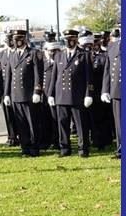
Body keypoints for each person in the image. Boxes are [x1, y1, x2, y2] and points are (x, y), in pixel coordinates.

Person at [48, 29, 93, 157]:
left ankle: (83, 149)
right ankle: (65, 149)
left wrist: (88, 94)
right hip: (61, 95)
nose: (69, 41)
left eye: (72, 39)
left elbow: (89, 77)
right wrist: (51, 94)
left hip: (77, 96)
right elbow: (54, 76)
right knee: (62, 123)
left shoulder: (83, 55)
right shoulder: (59, 55)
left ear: (76, 40)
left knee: (80, 124)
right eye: (67, 39)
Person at [3, 30, 43, 157]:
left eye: (19, 38)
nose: (17, 41)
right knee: (21, 124)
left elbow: (38, 74)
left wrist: (37, 91)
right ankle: (25, 148)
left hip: (29, 94)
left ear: (25, 39)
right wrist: (7, 94)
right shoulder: (12, 55)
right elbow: (9, 76)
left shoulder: (33, 53)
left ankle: (34, 148)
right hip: (16, 95)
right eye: (15, 38)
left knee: (32, 123)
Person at [89, 33, 112, 149]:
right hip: (90, 91)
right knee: (93, 117)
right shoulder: (88, 56)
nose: (95, 45)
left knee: (103, 117)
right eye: (94, 43)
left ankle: (104, 140)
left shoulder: (104, 56)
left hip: (101, 90)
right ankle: (95, 139)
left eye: (97, 42)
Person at [101, 28, 121, 159]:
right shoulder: (112, 46)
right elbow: (107, 70)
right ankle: (121, 149)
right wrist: (105, 90)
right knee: (119, 122)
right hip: (116, 90)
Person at [39, 35, 61, 150]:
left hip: (56, 94)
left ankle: (57, 141)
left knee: (56, 119)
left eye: (55, 51)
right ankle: (45, 141)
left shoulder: (60, 62)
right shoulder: (42, 61)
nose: (52, 53)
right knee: (44, 119)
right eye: (50, 51)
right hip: (44, 94)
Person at [0, 30, 20, 146]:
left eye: (11, 40)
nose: (9, 42)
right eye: (7, 40)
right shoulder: (1, 54)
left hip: (16, 87)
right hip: (4, 88)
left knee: (18, 113)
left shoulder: (18, 52)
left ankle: (21, 134)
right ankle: (11, 136)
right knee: (8, 113)